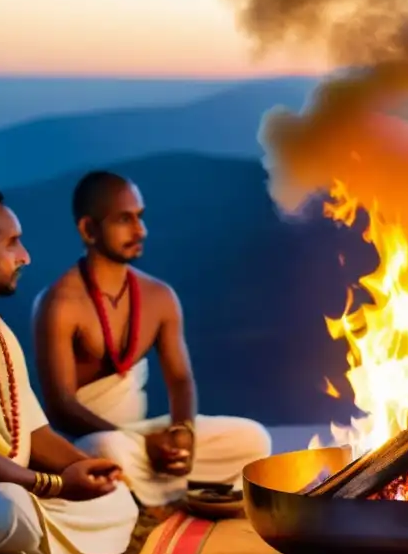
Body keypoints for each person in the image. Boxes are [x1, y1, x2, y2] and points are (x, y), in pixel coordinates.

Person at [32, 171, 272, 508]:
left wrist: (182, 434)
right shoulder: (59, 303)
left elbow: (179, 379)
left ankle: (154, 487)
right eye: (124, 219)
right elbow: (60, 407)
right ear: (88, 229)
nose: (140, 230)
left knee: (253, 439)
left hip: (144, 436)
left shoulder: (159, 296)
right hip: (90, 440)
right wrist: (140, 442)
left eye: (140, 218)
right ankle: (167, 489)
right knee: (107, 451)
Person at [0, 187, 138, 554]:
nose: (25, 256)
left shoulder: (0, 336)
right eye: (12, 243)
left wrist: (87, 469)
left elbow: (35, 434)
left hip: (13, 493)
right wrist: (56, 485)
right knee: (5, 504)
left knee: (118, 498)